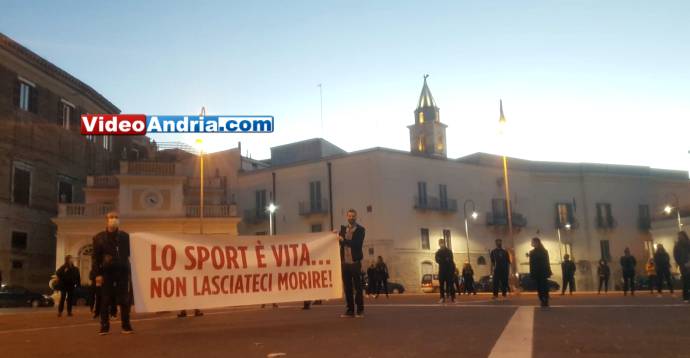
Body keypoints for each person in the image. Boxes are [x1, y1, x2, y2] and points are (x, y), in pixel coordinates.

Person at [92, 211, 133, 335]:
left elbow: (132, 253)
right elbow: (95, 257)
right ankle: (104, 326)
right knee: (105, 300)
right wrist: (97, 274)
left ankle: (126, 325)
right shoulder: (98, 238)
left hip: (122, 271)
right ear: (106, 220)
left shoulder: (125, 237)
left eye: (116, 217)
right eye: (111, 217)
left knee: (124, 300)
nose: (114, 219)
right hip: (106, 273)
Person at [336, 209, 365, 317]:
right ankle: (350, 310)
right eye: (350, 216)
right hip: (344, 263)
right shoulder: (343, 229)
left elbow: (357, 244)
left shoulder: (361, 230)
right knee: (347, 288)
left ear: (356, 217)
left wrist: (344, 241)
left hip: (355, 262)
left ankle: (360, 310)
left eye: (353, 216)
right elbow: (338, 241)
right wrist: (334, 235)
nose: (351, 218)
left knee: (358, 288)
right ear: (347, 217)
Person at [529, 237, 552, 308]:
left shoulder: (544, 251)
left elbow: (547, 262)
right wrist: (532, 273)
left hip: (542, 272)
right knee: (539, 287)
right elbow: (531, 264)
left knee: (543, 286)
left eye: (533, 242)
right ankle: (542, 299)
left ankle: (545, 300)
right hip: (537, 272)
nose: (532, 243)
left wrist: (548, 271)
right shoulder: (532, 252)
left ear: (537, 242)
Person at [435, 238, 455, 303]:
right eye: (440, 243)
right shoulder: (438, 252)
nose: (441, 244)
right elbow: (437, 260)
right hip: (442, 270)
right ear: (439, 244)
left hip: (449, 270)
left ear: (444, 243)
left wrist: (443, 260)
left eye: (442, 242)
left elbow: (450, 260)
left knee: (451, 284)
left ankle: (453, 297)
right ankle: (442, 297)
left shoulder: (449, 251)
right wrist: (445, 260)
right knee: (441, 285)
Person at [673, 231, 690, 303]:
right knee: (685, 281)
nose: (680, 237)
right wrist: (681, 264)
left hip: (688, 263)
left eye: (681, 236)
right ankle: (686, 297)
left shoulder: (689, 243)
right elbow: (676, 256)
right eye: (679, 236)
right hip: (683, 266)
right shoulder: (677, 245)